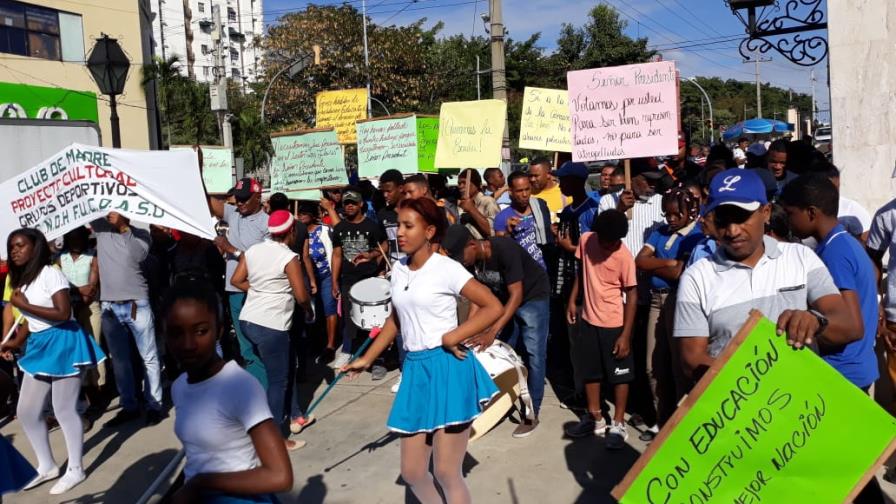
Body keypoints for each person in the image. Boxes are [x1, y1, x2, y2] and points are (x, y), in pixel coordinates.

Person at [343, 197, 503, 504]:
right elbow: (396, 320)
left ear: (429, 231)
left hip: (448, 368)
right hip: (416, 371)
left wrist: (454, 334)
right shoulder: (399, 270)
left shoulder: (447, 269)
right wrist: (367, 358)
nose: (399, 232)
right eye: (398, 225)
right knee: (414, 472)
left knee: (446, 472)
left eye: (408, 226)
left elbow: (491, 305)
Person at [674, 169, 859, 381]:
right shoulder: (696, 277)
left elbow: (849, 325)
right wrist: (753, 386)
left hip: (804, 406)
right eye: (723, 220)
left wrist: (815, 322)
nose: (733, 231)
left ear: (767, 212)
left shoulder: (801, 258)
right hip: (740, 409)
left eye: (742, 217)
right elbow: (691, 360)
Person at [779, 175, 885, 502]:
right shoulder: (846, 243)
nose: (787, 220)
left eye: (791, 213)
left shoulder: (835, 253)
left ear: (811, 213)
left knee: (844, 469)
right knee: (850, 465)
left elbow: (847, 320)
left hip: (843, 370)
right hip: (857, 365)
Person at [163, 276, 294, 503]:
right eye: (176, 333)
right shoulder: (180, 387)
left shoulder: (239, 386)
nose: (188, 344)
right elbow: (199, 457)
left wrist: (202, 483)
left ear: (219, 331)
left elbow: (280, 476)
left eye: (201, 331)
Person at [0, 228, 106, 494]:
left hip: (63, 343)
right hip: (39, 344)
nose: (14, 250)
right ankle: (47, 465)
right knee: (26, 411)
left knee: (63, 409)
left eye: (20, 245)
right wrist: (14, 341)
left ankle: (76, 469)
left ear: (35, 247)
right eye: (12, 246)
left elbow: (62, 312)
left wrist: (23, 306)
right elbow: (31, 322)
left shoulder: (51, 273)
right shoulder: (23, 280)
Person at [443, 224, 550, 437]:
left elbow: (516, 295)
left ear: (472, 244)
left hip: (531, 297)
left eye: (460, 257)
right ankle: (508, 394)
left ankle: (531, 413)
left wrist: (492, 331)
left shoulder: (504, 249)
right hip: (503, 299)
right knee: (504, 351)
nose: (460, 262)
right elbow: (478, 298)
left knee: (534, 354)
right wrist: (468, 330)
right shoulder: (470, 262)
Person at [232, 210, 313, 450]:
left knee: (274, 373)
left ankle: (284, 417)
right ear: (292, 231)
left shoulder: (253, 250)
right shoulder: (289, 258)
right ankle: (276, 439)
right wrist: (308, 309)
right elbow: (300, 295)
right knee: (279, 382)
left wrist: (258, 290)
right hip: (271, 324)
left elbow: (236, 280)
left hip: (248, 321)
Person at [563, 210, 637, 448]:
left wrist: (625, 335)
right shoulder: (586, 240)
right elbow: (581, 271)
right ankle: (594, 416)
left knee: (619, 375)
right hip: (588, 319)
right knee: (590, 371)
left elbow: (632, 295)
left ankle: (617, 423)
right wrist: (573, 300)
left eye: (615, 242)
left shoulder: (624, 257)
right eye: (606, 241)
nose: (609, 246)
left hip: (614, 324)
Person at [634, 187, 702, 429]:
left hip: (677, 301)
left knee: (677, 366)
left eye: (676, 214)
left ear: (689, 212)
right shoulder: (660, 232)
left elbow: (678, 273)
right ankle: (661, 419)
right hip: (655, 299)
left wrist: (656, 265)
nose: (671, 219)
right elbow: (640, 260)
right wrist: (669, 262)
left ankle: (680, 423)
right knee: (652, 366)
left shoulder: (695, 234)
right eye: (667, 214)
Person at [92, 213, 164, 427]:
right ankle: (129, 405)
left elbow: (138, 255)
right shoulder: (100, 228)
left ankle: (155, 405)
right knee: (120, 360)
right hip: (110, 306)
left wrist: (123, 227)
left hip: (136, 303)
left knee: (148, 357)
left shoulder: (141, 234)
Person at [206, 177, 270, 388]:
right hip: (235, 292)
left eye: (244, 199)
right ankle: (258, 393)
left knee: (262, 345)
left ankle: (271, 394)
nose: (240, 203)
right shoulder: (233, 214)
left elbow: (265, 261)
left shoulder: (267, 224)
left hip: (257, 292)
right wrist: (197, 170)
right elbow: (206, 201)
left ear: (258, 197)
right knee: (246, 349)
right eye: (238, 198)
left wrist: (230, 248)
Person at [330, 188, 388, 374]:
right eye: (346, 203)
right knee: (349, 319)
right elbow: (337, 255)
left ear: (361, 204)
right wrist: (334, 282)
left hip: (369, 279)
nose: (349, 206)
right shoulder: (339, 228)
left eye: (353, 203)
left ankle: (377, 356)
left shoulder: (372, 226)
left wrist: (373, 256)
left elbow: (384, 245)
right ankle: (349, 351)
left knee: (373, 320)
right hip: (348, 279)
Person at [56, 227, 104, 413]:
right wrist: (77, 290)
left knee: (94, 347)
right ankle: (86, 393)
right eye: (72, 238)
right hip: (68, 310)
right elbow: (59, 285)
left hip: (89, 307)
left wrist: (80, 295)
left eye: (79, 238)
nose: (76, 241)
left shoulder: (93, 256)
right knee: (76, 353)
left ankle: (99, 388)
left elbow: (92, 288)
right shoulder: (60, 258)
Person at [297, 202, 339, 364]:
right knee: (310, 312)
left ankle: (330, 346)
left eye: (305, 212)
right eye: (299, 212)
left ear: (313, 215)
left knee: (329, 308)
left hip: (326, 275)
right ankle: (314, 342)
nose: (301, 215)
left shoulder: (325, 231)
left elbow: (335, 251)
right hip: (306, 278)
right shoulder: (297, 233)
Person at [494, 172, 553, 269]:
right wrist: (509, 233)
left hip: (545, 271)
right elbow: (500, 250)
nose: (525, 194)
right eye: (519, 191)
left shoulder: (540, 207)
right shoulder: (502, 218)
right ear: (510, 192)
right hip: (522, 273)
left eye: (527, 189)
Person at [811, 161, 872, 242]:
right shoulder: (802, 212)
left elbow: (866, 247)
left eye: (837, 187)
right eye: (830, 189)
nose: (835, 193)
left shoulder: (852, 210)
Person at [457, 168, 499, 240]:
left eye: (464, 183)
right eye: (459, 183)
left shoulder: (488, 201)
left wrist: (472, 209)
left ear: (476, 184)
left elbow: (493, 231)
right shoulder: (461, 205)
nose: (460, 186)